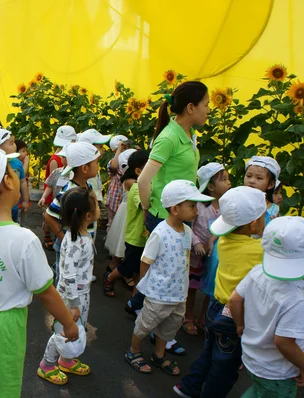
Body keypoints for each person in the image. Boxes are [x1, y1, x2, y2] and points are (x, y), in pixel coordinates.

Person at [0, 149, 79, 398]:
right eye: (13, 170)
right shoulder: (23, 239)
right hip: (2, 325)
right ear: (8, 181)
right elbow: (46, 292)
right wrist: (67, 322)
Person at [174, 186, 267, 398]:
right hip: (234, 316)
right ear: (253, 223)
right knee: (225, 368)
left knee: (209, 354)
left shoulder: (224, 241)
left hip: (216, 308)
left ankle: (188, 386)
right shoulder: (260, 250)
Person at [129, 81, 209, 319]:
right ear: (191, 107)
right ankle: (149, 325)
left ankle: (142, 309)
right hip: (165, 217)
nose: (208, 109)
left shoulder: (189, 133)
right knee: (161, 275)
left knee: (169, 274)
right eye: (206, 104)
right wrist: (146, 209)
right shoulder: (169, 137)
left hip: (181, 215)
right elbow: (143, 181)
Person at [126, 180, 212, 376]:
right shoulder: (160, 233)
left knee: (169, 327)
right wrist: (144, 284)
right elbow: (146, 260)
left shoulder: (188, 231)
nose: (196, 211)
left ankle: (159, 354)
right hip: (158, 292)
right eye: (191, 206)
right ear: (175, 209)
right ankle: (134, 351)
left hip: (178, 293)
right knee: (145, 324)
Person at [229, 216, 304, 398]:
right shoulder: (297, 299)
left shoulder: (257, 271)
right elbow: (283, 342)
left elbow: (234, 300)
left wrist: (240, 326)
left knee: (258, 390)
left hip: (251, 358)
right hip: (277, 371)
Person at [38, 187, 99, 385]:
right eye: (97, 203)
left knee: (75, 328)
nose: (100, 207)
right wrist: (73, 303)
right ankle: (47, 365)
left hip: (81, 294)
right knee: (63, 330)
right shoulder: (75, 241)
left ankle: (66, 359)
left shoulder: (81, 235)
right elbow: (69, 275)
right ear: (88, 215)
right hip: (72, 297)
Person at [182, 163, 231, 336]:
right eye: (223, 179)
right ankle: (188, 317)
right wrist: (196, 243)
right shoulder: (200, 207)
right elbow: (190, 228)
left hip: (214, 256)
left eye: (228, 179)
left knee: (211, 289)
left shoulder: (226, 208)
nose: (229, 183)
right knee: (192, 288)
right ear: (210, 186)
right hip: (196, 256)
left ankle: (203, 318)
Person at [45, 142, 100, 284]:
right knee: (64, 278)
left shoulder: (86, 186)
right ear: (85, 168)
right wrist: (62, 237)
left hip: (80, 244)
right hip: (71, 246)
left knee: (77, 276)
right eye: (96, 163)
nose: (98, 166)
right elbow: (49, 215)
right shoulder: (70, 191)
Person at [104, 149, 145, 297]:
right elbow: (144, 204)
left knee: (133, 261)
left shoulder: (138, 182)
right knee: (127, 257)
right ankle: (112, 275)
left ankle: (132, 292)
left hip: (132, 219)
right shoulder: (133, 184)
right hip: (130, 219)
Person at [42, 126, 77, 249]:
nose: (64, 160)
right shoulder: (55, 162)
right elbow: (52, 183)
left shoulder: (74, 171)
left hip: (65, 202)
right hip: (55, 198)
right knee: (50, 220)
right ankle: (48, 236)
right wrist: (45, 197)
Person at [0, 129, 29, 222]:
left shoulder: (17, 162)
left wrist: (25, 200)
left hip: (14, 206)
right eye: (11, 143)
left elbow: (23, 181)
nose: (15, 146)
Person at [244, 156, 281, 225]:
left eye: (259, 178)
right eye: (249, 176)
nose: (252, 181)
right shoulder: (238, 202)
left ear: (271, 184)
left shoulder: (274, 211)